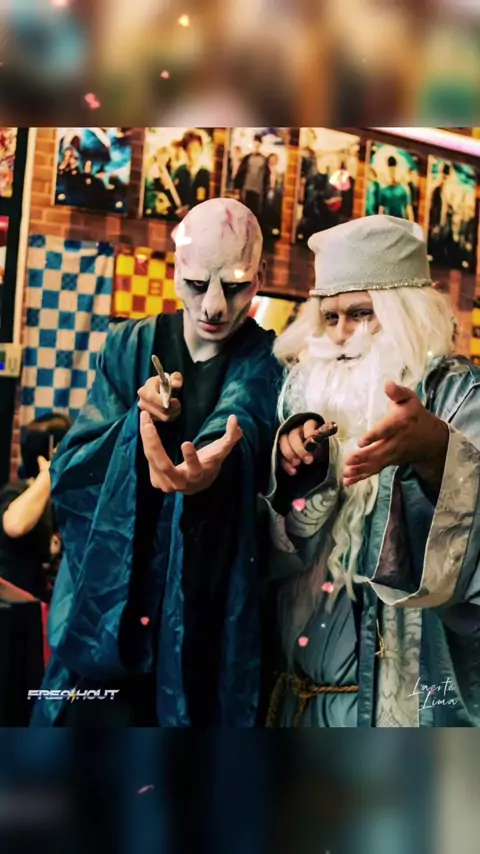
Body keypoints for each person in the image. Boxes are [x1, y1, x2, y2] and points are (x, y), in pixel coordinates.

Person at [31, 198, 283, 728]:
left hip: (209, 610)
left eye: (235, 286)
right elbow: (73, 465)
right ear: (176, 272)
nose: (214, 307)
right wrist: (138, 423)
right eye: (198, 284)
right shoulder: (129, 346)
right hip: (116, 612)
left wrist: (209, 462)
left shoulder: (267, 360)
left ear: (259, 278)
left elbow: (244, 412)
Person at [263, 214, 480, 727]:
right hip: (298, 701)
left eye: (361, 314)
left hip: (406, 710)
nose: (340, 335)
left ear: (404, 314)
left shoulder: (458, 393)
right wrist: (300, 478)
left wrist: (435, 455)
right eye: (329, 317)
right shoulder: (299, 397)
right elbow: (268, 562)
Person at [0, 412, 71, 602]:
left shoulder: (68, 500)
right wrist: (48, 474)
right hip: (16, 607)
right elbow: (15, 526)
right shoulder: (17, 492)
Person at [172, 130, 211, 215]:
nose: (192, 154)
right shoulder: (180, 171)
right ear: (185, 150)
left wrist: (190, 209)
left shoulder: (205, 174)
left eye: (196, 150)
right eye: (189, 149)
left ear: (201, 150)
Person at [234, 134, 270, 221]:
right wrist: (237, 187)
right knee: (244, 211)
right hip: (247, 188)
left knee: (255, 214)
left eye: (258, 145)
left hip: (258, 190)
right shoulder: (247, 158)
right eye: (255, 144)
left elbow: (266, 177)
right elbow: (240, 172)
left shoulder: (264, 160)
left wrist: (265, 191)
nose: (256, 146)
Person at [378, 156, 414, 220]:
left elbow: (408, 209)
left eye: (393, 170)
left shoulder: (404, 189)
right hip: (388, 221)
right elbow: (381, 209)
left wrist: (412, 224)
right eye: (390, 170)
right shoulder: (384, 190)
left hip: (400, 221)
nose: (392, 173)